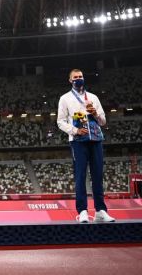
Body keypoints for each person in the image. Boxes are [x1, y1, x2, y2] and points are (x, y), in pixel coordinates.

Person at [57, 69, 115, 223]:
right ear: (70, 80)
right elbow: (60, 121)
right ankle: (82, 210)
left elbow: (103, 121)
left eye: (80, 76)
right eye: (75, 77)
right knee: (81, 176)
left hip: (95, 139)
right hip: (78, 141)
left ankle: (100, 210)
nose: (78, 79)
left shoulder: (94, 98)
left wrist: (95, 113)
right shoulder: (65, 98)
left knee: (97, 175)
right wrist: (75, 130)